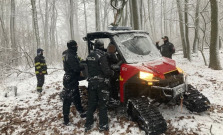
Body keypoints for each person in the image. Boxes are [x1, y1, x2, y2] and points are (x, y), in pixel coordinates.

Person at [85, 40, 114, 132]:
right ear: (102, 46)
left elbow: (87, 69)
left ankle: (88, 124)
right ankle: (103, 125)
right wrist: (112, 72)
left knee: (91, 104)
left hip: (91, 83)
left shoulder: (89, 56)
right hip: (101, 84)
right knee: (103, 104)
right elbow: (106, 71)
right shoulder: (101, 56)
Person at [62, 40, 86, 125]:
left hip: (72, 77)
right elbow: (76, 67)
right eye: (76, 45)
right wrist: (83, 66)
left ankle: (81, 111)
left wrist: (84, 61)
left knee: (76, 95)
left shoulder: (68, 53)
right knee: (68, 98)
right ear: (72, 46)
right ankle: (66, 118)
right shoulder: (70, 55)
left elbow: (78, 60)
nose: (77, 47)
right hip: (70, 78)